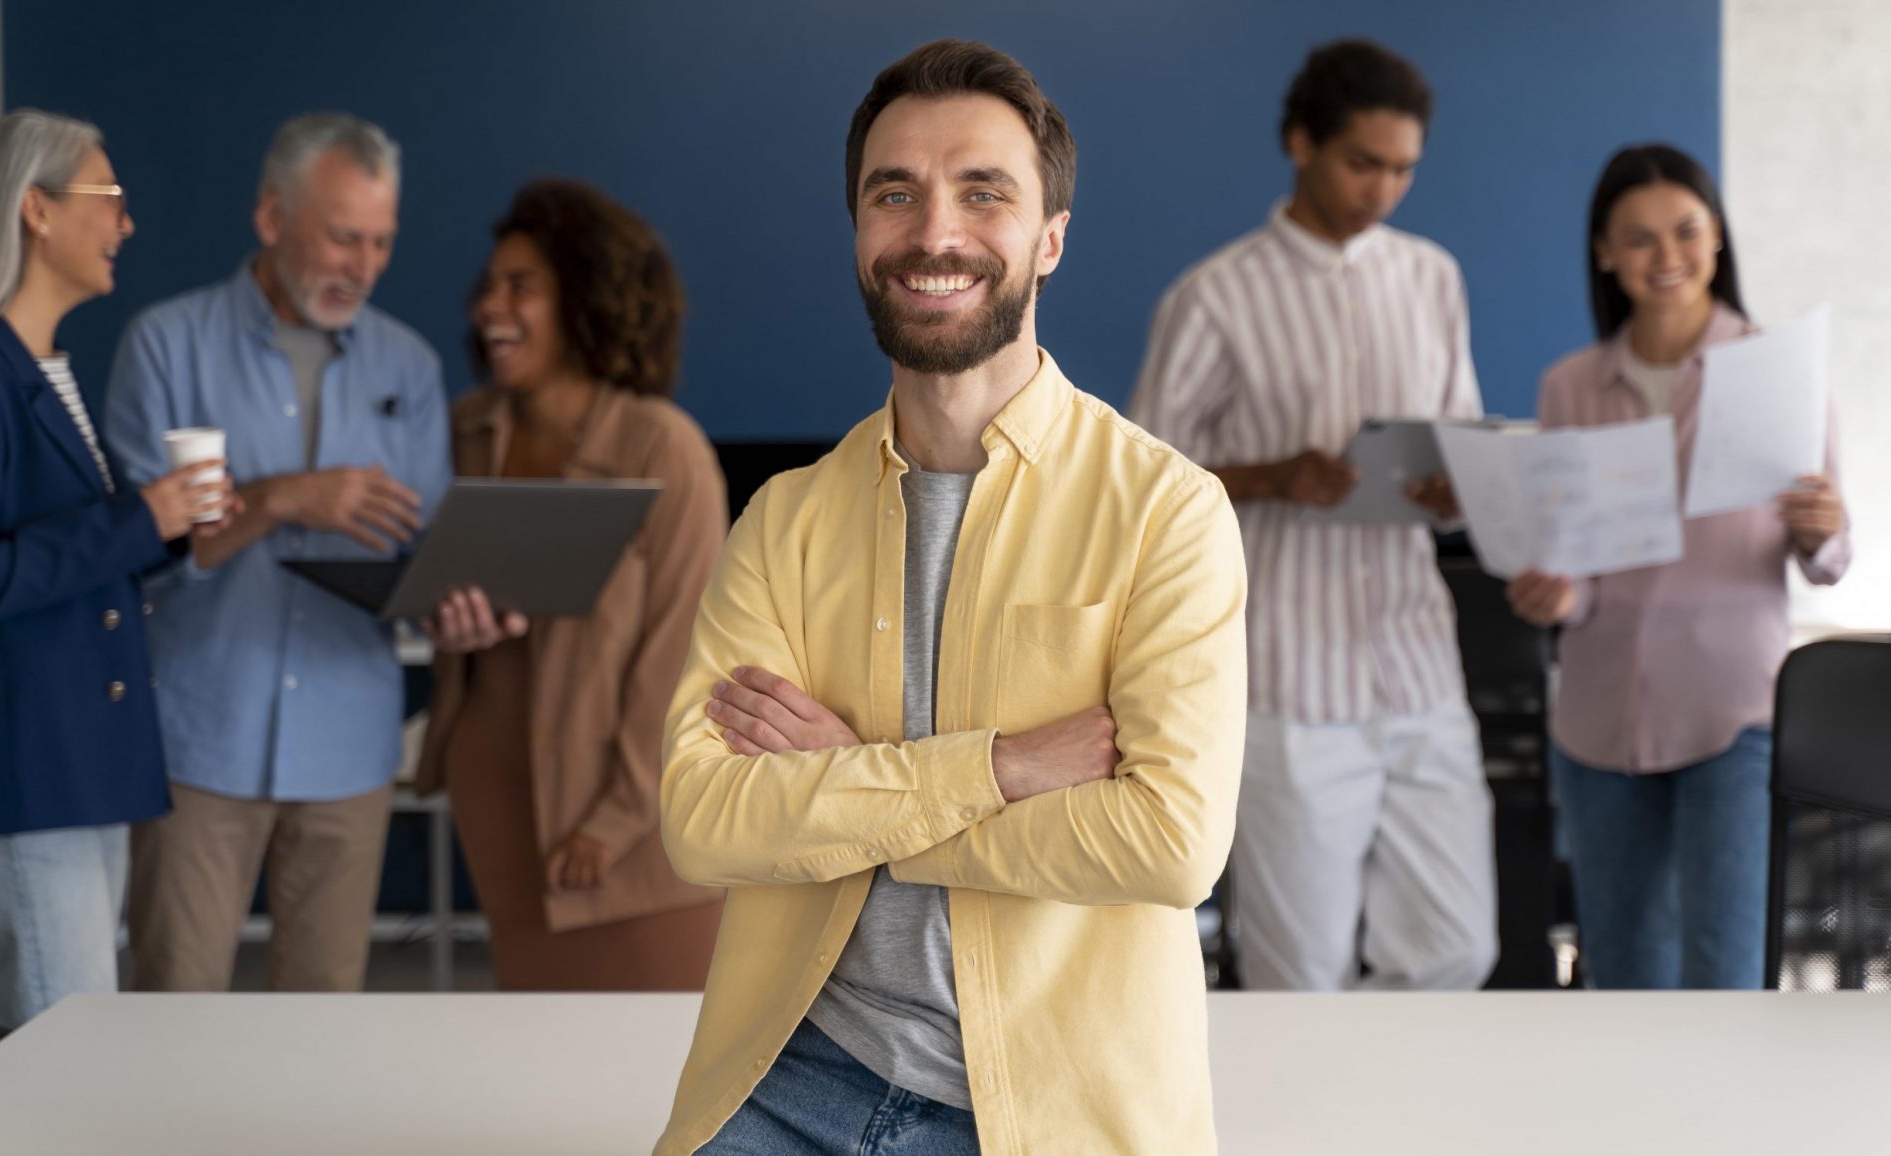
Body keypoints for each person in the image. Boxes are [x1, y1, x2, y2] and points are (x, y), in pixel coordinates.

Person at [646, 38, 1244, 1155]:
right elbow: (702, 818)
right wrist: (1001, 767)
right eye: (895, 194)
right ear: (860, 232)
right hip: (790, 1081)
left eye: (983, 192)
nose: (934, 234)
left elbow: (1169, 842)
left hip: (1053, 1109)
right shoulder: (782, 519)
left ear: (1050, 238)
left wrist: (854, 793)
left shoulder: (1169, 509)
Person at [1130, 38, 1497, 992]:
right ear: (1302, 142)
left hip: (1419, 664)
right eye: (1362, 162)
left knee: (1458, 948)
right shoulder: (1213, 296)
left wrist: (1461, 485)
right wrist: (1270, 476)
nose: (1383, 188)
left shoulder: (1433, 279)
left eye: (1404, 169)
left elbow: (1457, 431)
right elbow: (1145, 487)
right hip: (1288, 684)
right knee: (1303, 983)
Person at [102, 113, 451, 993]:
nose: (363, 267)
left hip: (349, 746)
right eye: (342, 237)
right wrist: (289, 497)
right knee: (172, 1011)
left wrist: (460, 598)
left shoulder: (407, 365)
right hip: (199, 739)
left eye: (380, 242)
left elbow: (424, 545)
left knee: (321, 1030)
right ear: (270, 219)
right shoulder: (164, 345)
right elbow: (136, 549)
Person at [0, 110, 233, 1027]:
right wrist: (144, 515)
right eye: (111, 198)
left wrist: (171, 531)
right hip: (21, 783)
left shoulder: (40, 368)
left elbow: (65, 560)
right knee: (60, 1071)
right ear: (36, 211)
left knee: (74, 1056)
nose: (126, 223)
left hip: (74, 774)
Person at [1506, 144, 1848, 989]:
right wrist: (1555, 593)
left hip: (1734, 716)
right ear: (1604, 252)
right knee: (1623, 974)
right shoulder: (1570, 387)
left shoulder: (1780, 368)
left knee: (1725, 970)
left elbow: (1829, 562)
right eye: (1640, 238)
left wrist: (1826, 528)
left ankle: (1729, 1127)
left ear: (1718, 237)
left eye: (1686, 232)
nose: (1667, 258)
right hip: (1597, 719)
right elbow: (1573, 562)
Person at [414, 178, 726, 990]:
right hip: (500, 800)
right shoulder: (460, 434)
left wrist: (616, 820)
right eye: (488, 287)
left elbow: (685, 658)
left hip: (634, 823)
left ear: (587, 299)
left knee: (662, 1072)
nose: (491, 307)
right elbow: (433, 595)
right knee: (534, 1065)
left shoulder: (664, 449)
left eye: (522, 287)